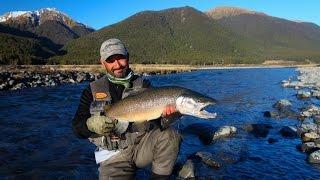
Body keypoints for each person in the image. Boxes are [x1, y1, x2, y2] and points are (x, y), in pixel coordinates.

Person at [72, 38, 181, 180]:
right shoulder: (91, 91)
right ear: (102, 62)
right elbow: (76, 128)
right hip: (113, 156)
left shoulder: (144, 85)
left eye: (121, 58)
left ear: (127, 57)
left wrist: (169, 116)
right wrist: (90, 125)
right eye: (111, 60)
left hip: (141, 147)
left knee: (170, 135)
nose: (117, 65)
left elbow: (159, 124)